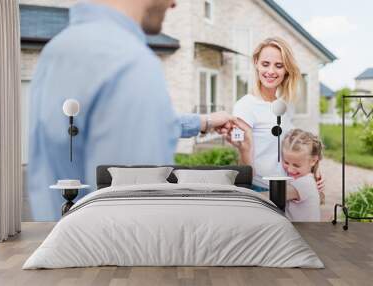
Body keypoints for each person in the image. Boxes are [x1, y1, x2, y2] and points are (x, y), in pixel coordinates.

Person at [28, 0, 240, 221]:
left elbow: (115, 126)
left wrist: (203, 122)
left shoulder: (57, 50)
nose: (174, 4)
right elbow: (136, 217)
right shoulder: (130, 64)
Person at [227, 37, 324, 193]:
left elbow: (293, 149)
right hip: (261, 190)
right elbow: (243, 161)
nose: (271, 71)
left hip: (289, 188)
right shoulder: (245, 107)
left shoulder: (286, 104)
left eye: (279, 66)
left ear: (286, 70)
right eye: (265, 64)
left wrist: (312, 170)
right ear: (256, 64)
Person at [282, 129, 324, 221]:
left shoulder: (305, 183)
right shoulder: (298, 178)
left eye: (296, 165)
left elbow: (273, 196)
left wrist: (244, 194)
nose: (289, 169)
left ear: (313, 161)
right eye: (286, 162)